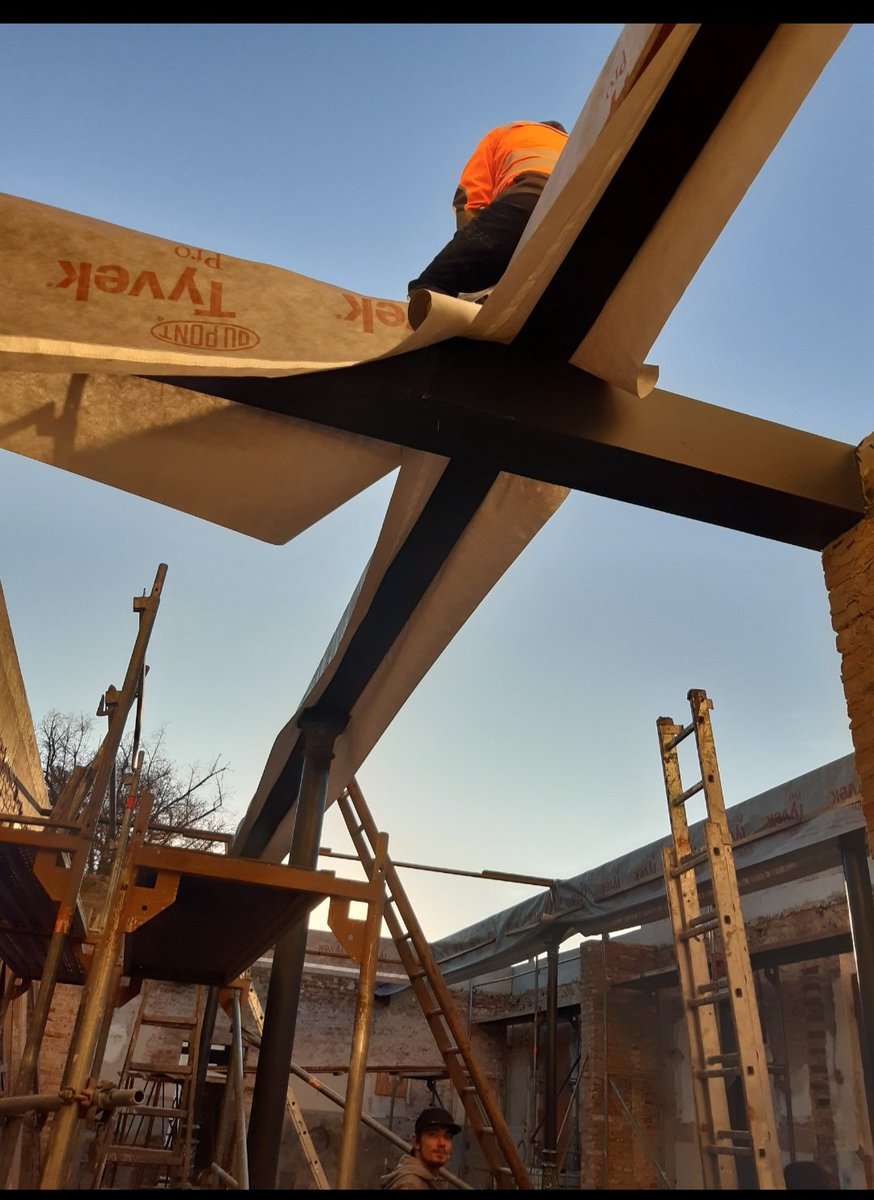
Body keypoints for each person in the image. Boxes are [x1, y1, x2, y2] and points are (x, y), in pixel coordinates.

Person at [407, 120, 569, 303]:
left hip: (528, 201)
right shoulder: (571, 140)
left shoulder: (505, 133)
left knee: (431, 284)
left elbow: (470, 199)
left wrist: (473, 249)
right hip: (582, 214)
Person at [379, 1105, 462, 1190]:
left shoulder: (419, 1179)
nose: (442, 1143)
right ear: (416, 1142)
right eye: (433, 1135)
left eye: (447, 1136)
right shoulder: (411, 1185)